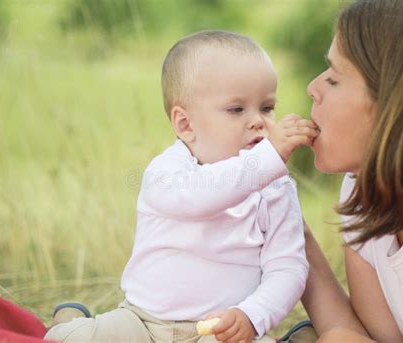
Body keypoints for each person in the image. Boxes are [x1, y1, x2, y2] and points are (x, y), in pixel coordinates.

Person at [45, 30, 319, 342]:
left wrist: (252, 314)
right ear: (185, 124)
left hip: (219, 332)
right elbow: (202, 197)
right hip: (143, 323)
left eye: (267, 107)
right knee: (66, 341)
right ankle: (71, 321)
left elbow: (288, 268)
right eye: (236, 109)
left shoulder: (276, 188)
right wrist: (268, 159)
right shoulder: (167, 172)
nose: (259, 121)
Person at [283, 0, 403, 342]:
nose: (312, 88)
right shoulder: (362, 190)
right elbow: (371, 337)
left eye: (333, 79)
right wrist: (284, 225)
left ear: (395, 100)